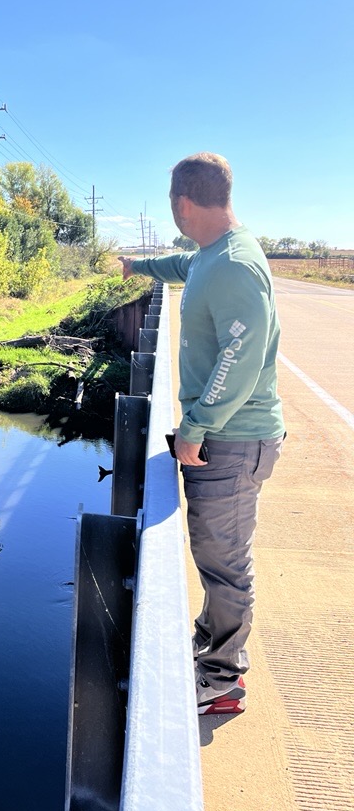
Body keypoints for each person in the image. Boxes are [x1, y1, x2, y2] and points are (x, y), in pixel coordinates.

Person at [119, 152, 284, 716]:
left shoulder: (234, 265)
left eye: (173, 207)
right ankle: (211, 642)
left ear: (183, 202)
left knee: (225, 558)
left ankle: (222, 679)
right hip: (226, 437)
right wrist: (137, 268)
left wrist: (196, 426)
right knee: (214, 551)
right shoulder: (211, 254)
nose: (175, 217)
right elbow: (179, 267)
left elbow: (241, 357)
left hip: (234, 440)